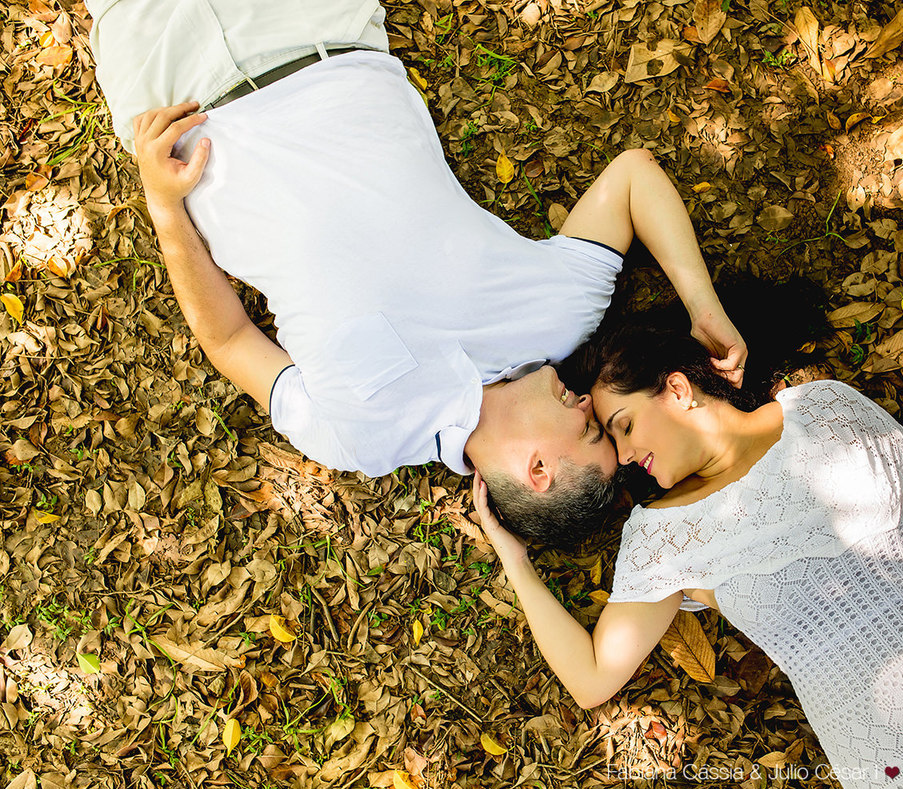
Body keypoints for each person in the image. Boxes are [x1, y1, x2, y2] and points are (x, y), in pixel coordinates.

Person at [85, 0, 746, 542]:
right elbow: (634, 178)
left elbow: (230, 341)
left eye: (588, 428)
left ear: (536, 469)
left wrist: (162, 205)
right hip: (310, 31)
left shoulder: (359, 437)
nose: (586, 399)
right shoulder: (559, 317)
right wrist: (702, 308)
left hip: (166, 79)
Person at [471, 324, 903, 789]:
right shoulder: (663, 536)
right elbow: (593, 677)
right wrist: (515, 561)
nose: (625, 459)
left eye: (623, 427)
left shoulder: (822, 409)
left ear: (678, 388)